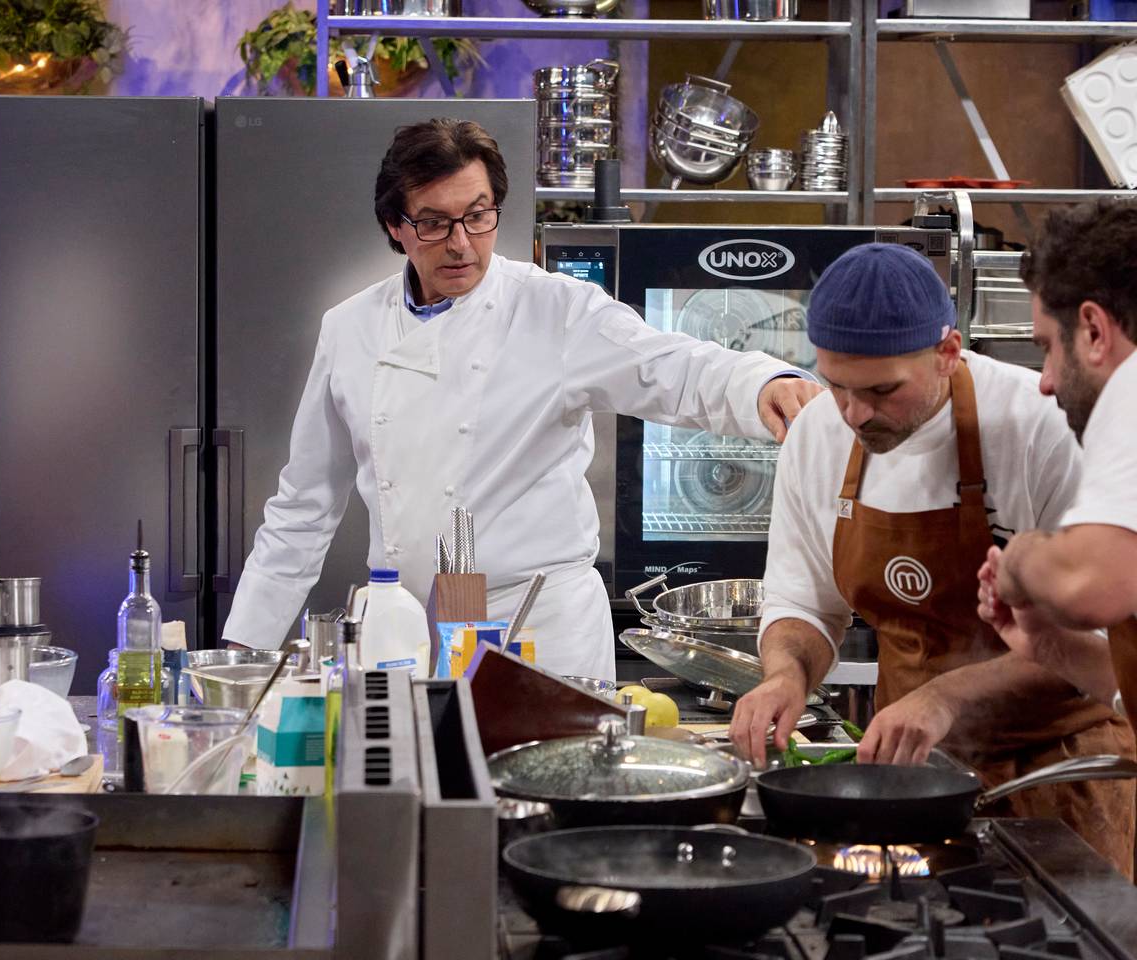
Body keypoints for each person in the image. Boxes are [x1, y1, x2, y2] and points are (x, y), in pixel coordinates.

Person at [220, 117, 822, 679]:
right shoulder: (350, 328)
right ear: (394, 226)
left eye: (477, 216)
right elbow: (304, 505)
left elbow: (672, 366)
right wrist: (243, 648)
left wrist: (761, 383)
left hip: (537, 626)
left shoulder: (555, 309)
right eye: (434, 223)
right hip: (407, 628)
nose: (461, 243)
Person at [731, 242, 1134, 876]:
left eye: (882, 390)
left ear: (948, 352)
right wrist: (787, 675)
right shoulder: (818, 435)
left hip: (1062, 771)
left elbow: (1107, 641)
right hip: (909, 782)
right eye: (836, 386)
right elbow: (803, 601)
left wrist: (944, 698)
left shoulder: (1042, 424)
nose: (855, 413)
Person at [978, 200, 1137, 730]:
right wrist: (1052, 647)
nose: (1045, 381)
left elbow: (1088, 584)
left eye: (1047, 347)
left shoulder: (1132, 386)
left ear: (1093, 330)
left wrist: (1022, 558)